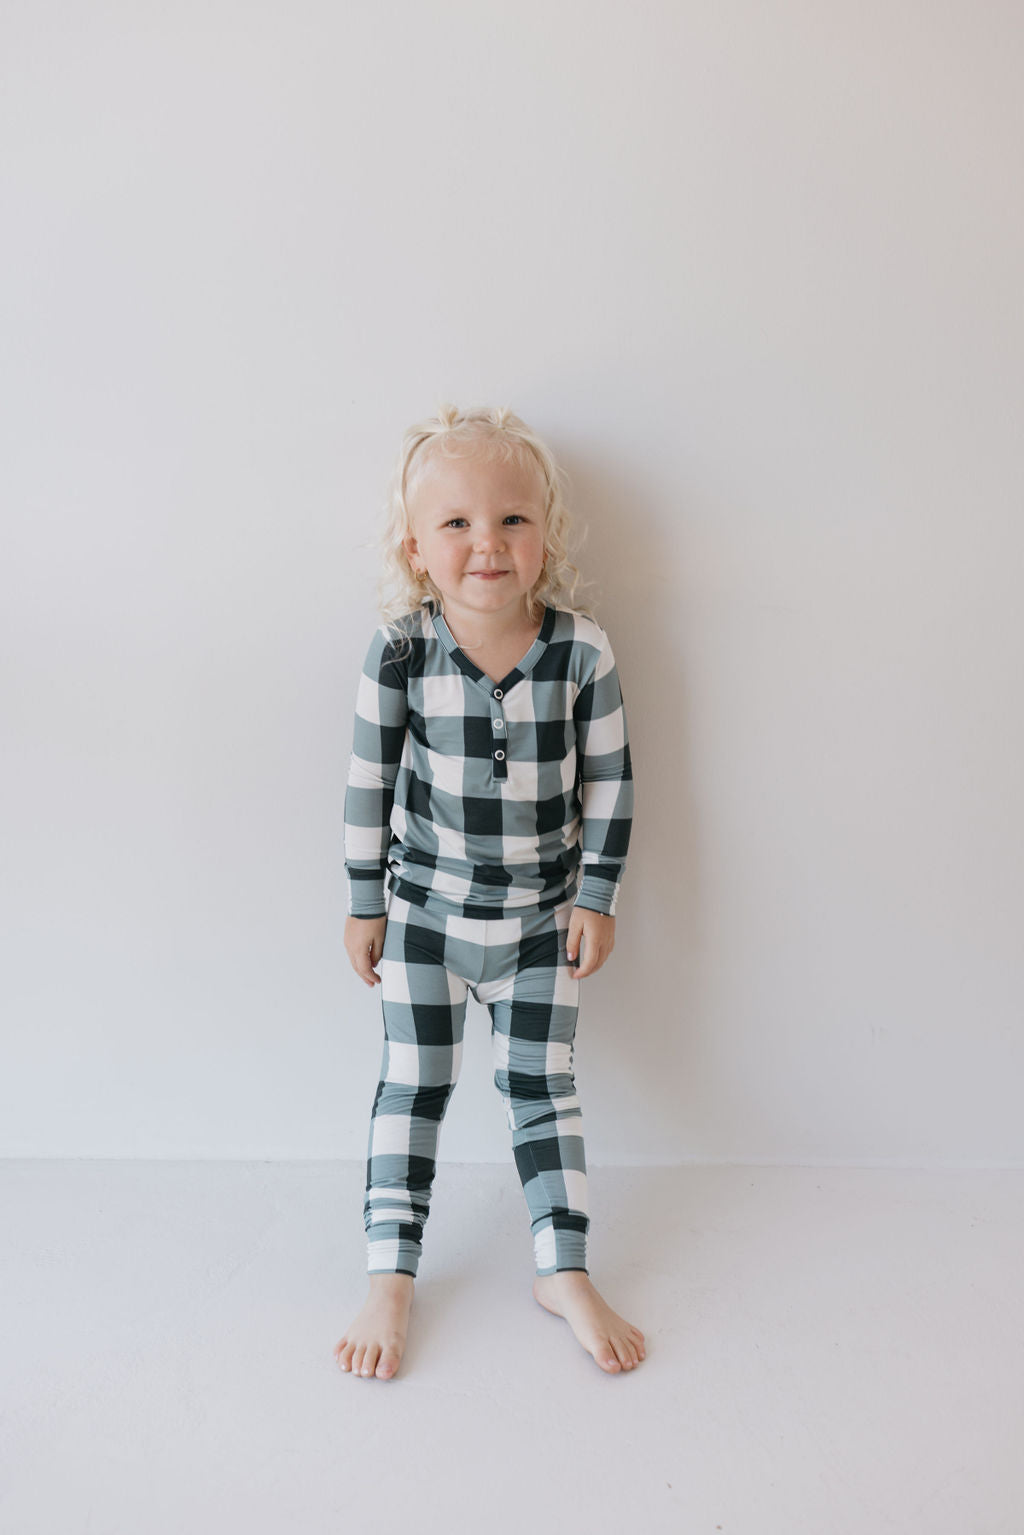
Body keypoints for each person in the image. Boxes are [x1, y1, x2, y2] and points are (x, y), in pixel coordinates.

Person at [334, 404, 644, 1381]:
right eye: (456, 523)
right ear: (416, 546)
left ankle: (563, 1264)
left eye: (511, 518)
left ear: (544, 532)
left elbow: (612, 784)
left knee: (545, 1093)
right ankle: (390, 1272)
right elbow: (366, 784)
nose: (486, 545)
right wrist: (362, 898)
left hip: (539, 929)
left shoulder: (580, 651)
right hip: (423, 918)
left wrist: (595, 896)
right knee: (411, 1089)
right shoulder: (400, 651)